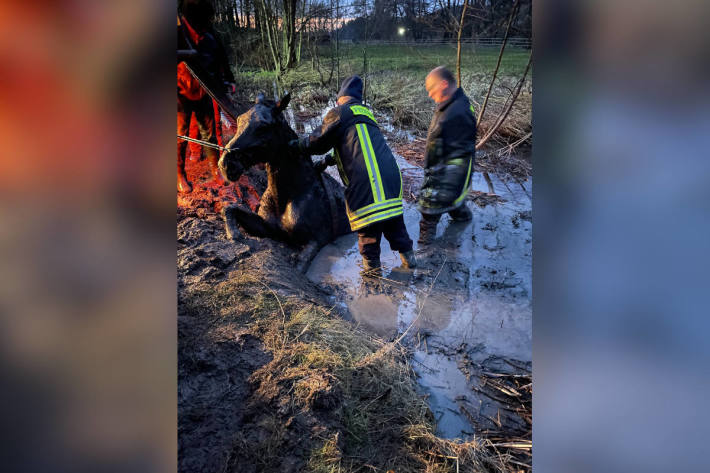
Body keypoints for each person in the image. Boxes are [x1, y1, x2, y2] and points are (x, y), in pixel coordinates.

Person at [290, 75, 417, 272]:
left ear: (342, 97)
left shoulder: (339, 112)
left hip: (367, 183)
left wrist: (297, 145)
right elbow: (358, 147)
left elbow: (318, 141)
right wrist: (326, 162)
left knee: (368, 233)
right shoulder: (365, 114)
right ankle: (411, 264)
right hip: (391, 180)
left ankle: (372, 277)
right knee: (395, 226)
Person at [177, 0, 235, 193]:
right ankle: (180, 175)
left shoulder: (209, 37)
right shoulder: (177, 32)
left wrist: (227, 81)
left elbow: (220, 60)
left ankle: (215, 169)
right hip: (179, 92)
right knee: (181, 134)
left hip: (204, 91)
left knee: (209, 133)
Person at [418, 66, 476, 244]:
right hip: (445, 177)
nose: (429, 95)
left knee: (428, 219)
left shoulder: (458, 112)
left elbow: (461, 156)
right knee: (456, 206)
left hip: (444, 181)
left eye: (431, 89)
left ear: (443, 84)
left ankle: (423, 260)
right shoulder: (451, 105)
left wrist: (442, 190)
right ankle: (463, 220)